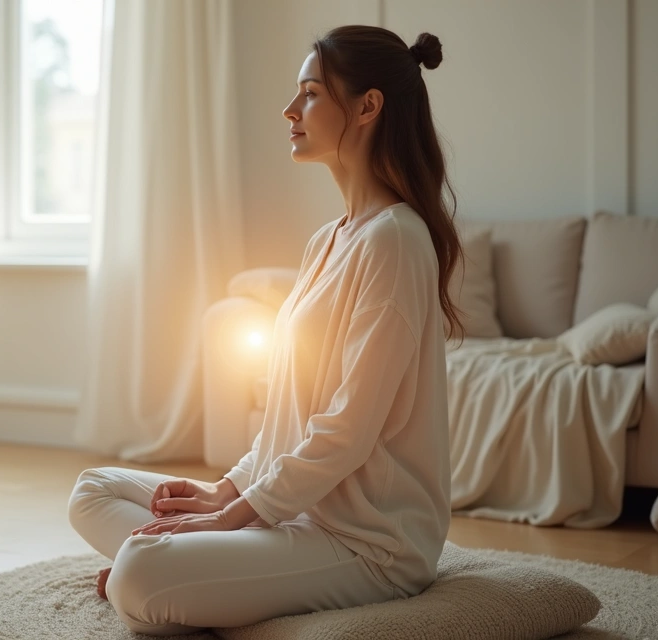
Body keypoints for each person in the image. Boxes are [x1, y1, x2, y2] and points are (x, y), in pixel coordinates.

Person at [67, 25, 463, 636]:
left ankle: (166, 580)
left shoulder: (397, 240)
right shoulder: (327, 240)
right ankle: (191, 580)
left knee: (142, 571)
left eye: (309, 93)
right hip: (294, 515)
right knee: (94, 491)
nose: (290, 109)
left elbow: (348, 430)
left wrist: (233, 520)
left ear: (367, 106)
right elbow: (288, 417)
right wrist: (227, 492)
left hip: (365, 543)